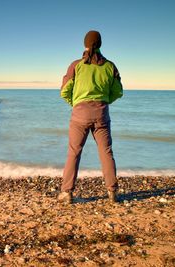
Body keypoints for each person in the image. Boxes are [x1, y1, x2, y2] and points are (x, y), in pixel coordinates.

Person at [58, 30, 123, 204]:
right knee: (106, 151)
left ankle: (67, 193)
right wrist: (104, 101)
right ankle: (112, 192)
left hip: (80, 114)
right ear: (100, 44)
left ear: (85, 44)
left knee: (74, 152)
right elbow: (118, 91)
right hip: (101, 113)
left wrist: (76, 103)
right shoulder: (110, 66)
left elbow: (64, 91)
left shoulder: (76, 65)